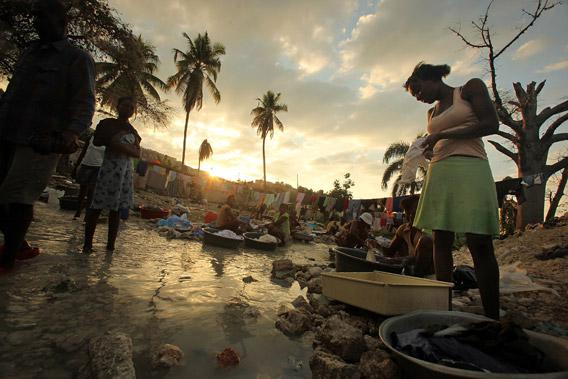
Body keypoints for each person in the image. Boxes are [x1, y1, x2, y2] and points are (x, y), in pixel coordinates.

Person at [0, 0, 95, 272]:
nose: (36, 22)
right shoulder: (30, 52)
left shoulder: (77, 58)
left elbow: (85, 102)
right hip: (7, 132)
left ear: (62, 23)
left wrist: (70, 133)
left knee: (18, 198)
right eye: (35, 17)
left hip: (39, 141)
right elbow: (13, 92)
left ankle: (8, 263)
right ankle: (19, 247)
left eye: (43, 17)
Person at [404, 62, 500, 319]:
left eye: (419, 90)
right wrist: (429, 148)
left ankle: (492, 315)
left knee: (479, 241)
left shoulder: (469, 89)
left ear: (432, 78)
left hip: (471, 167)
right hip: (440, 172)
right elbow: (438, 142)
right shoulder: (431, 114)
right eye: (415, 96)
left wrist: (444, 135)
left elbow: (492, 124)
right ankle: (443, 307)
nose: (419, 97)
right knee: (441, 239)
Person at [82, 97, 141, 253]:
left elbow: (137, 152)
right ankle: (87, 245)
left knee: (116, 210)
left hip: (124, 173)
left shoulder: (133, 131)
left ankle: (110, 247)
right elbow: (97, 142)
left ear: (133, 112)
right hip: (108, 169)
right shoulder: (107, 124)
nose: (128, 108)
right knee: (96, 206)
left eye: (131, 107)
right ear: (118, 106)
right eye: (125, 105)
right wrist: (122, 146)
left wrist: (118, 144)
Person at [379, 195, 434, 277]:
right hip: (412, 268)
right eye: (407, 214)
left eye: (412, 214)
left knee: (425, 241)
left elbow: (418, 258)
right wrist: (376, 245)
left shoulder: (429, 230)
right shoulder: (404, 229)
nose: (409, 217)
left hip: (430, 273)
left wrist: (398, 260)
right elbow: (390, 252)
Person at [72, 133, 105, 219]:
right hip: (86, 164)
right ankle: (78, 212)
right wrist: (76, 166)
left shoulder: (108, 141)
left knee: (91, 192)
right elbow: (83, 152)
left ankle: (87, 215)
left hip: (98, 167)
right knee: (82, 191)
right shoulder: (91, 137)